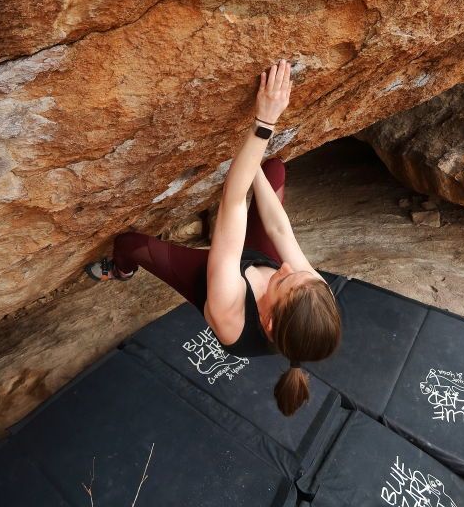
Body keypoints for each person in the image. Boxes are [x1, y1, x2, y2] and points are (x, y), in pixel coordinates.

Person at [85, 58, 342, 416]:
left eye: (283, 280)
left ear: (268, 323)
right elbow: (280, 230)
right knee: (273, 169)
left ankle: (122, 270)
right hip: (248, 260)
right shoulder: (309, 294)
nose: (287, 266)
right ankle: (236, 210)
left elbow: (233, 202)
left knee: (130, 244)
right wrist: (249, 164)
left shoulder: (229, 312)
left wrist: (264, 124)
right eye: (299, 274)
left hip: (213, 280)